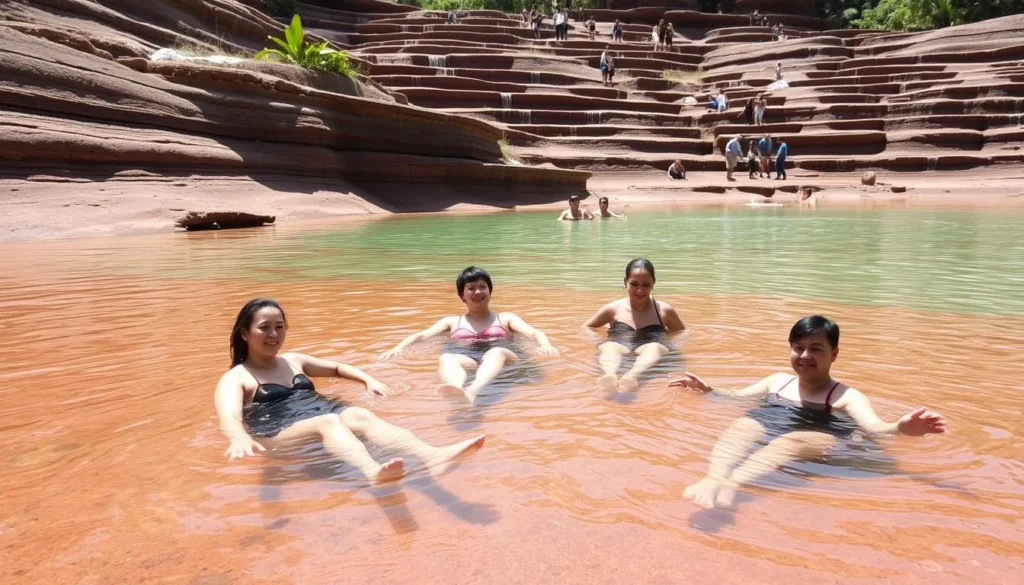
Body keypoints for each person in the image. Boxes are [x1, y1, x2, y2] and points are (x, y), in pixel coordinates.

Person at [670, 315, 946, 509]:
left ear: (834, 354)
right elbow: (738, 397)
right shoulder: (776, 381)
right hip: (776, 421)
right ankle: (713, 478)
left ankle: (732, 485)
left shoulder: (845, 396)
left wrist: (899, 428)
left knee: (790, 441)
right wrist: (709, 391)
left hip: (825, 436)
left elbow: (874, 427)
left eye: (815, 349)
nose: (804, 356)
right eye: (798, 348)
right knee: (744, 425)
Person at [214, 299, 486, 484]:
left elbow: (336, 368)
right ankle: (372, 472)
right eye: (264, 328)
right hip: (278, 436)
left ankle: (432, 456)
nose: (273, 334)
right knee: (329, 420)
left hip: (319, 416)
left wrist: (369, 381)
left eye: (279, 327)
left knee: (358, 414)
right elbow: (230, 418)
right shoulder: (236, 378)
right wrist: (237, 439)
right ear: (245, 334)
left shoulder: (293, 360)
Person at [381, 267, 558, 403]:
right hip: (472, 363)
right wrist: (398, 348)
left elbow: (534, 332)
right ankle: (456, 389)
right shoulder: (451, 322)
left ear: (490, 291)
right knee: (447, 357)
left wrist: (545, 345)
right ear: (462, 295)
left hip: (507, 364)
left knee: (496, 351)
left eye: (483, 287)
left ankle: (472, 391)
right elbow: (421, 336)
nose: (478, 292)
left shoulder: (505, 318)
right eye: (471, 288)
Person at [586, 258, 685, 391]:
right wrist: (598, 341)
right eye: (634, 284)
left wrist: (670, 346)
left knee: (654, 347)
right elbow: (587, 327)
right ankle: (609, 375)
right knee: (609, 346)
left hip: (651, 347)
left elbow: (681, 332)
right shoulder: (613, 309)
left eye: (645, 285)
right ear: (625, 282)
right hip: (620, 345)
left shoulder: (663, 310)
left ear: (653, 284)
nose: (640, 291)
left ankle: (632, 375)